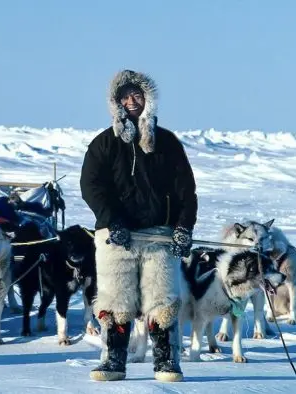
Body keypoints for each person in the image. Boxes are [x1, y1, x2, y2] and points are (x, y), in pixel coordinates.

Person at [79, 69, 198, 382]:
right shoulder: (104, 144)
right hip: (115, 236)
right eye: (125, 96)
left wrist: (184, 226)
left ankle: (167, 362)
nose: (132, 101)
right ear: (116, 103)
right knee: (115, 301)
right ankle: (113, 361)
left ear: (149, 99)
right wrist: (111, 220)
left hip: (160, 234)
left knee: (162, 301)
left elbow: (186, 188)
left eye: (138, 95)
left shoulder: (168, 143)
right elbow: (91, 186)